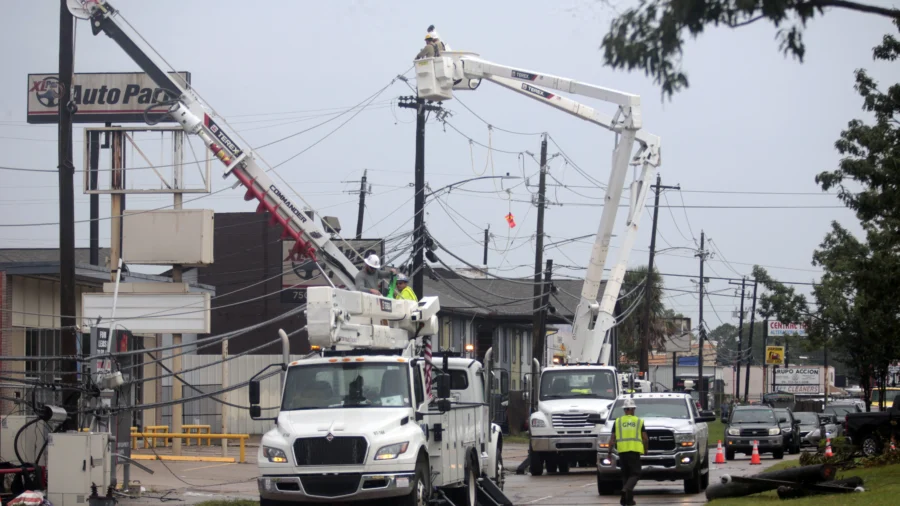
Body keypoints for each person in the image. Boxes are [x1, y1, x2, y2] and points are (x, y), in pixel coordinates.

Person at [607, 397, 648, 506]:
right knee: (636, 473)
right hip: (634, 451)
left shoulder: (618, 421)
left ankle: (626, 500)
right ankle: (626, 489)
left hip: (622, 452)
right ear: (633, 409)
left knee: (625, 475)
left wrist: (609, 452)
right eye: (633, 409)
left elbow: (612, 439)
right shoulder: (638, 421)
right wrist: (646, 449)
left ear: (624, 410)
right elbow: (645, 438)